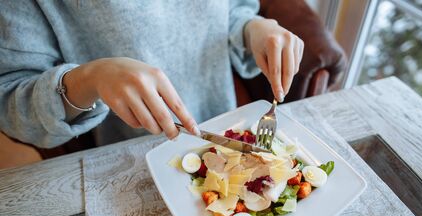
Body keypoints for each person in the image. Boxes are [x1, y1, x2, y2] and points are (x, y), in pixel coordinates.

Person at [0, 0, 303, 148]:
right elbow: (12, 102)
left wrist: (253, 28)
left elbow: (232, 10)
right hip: (136, 159)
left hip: (224, 128)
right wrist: (90, 78)